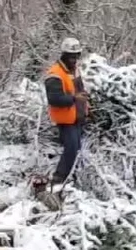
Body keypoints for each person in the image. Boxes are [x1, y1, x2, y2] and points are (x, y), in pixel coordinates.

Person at [44, 38, 88, 187]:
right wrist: (74, 98)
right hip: (66, 120)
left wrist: (88, 108)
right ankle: (58, 178)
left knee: (77, 149)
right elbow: (54, 99)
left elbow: (80, 91)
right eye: (71, 56)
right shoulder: (55, 74)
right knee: (71, 149)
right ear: (64, 55)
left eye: (76, 55)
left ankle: (71, 177)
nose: (74, 59)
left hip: (77, 117)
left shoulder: (74, 71)